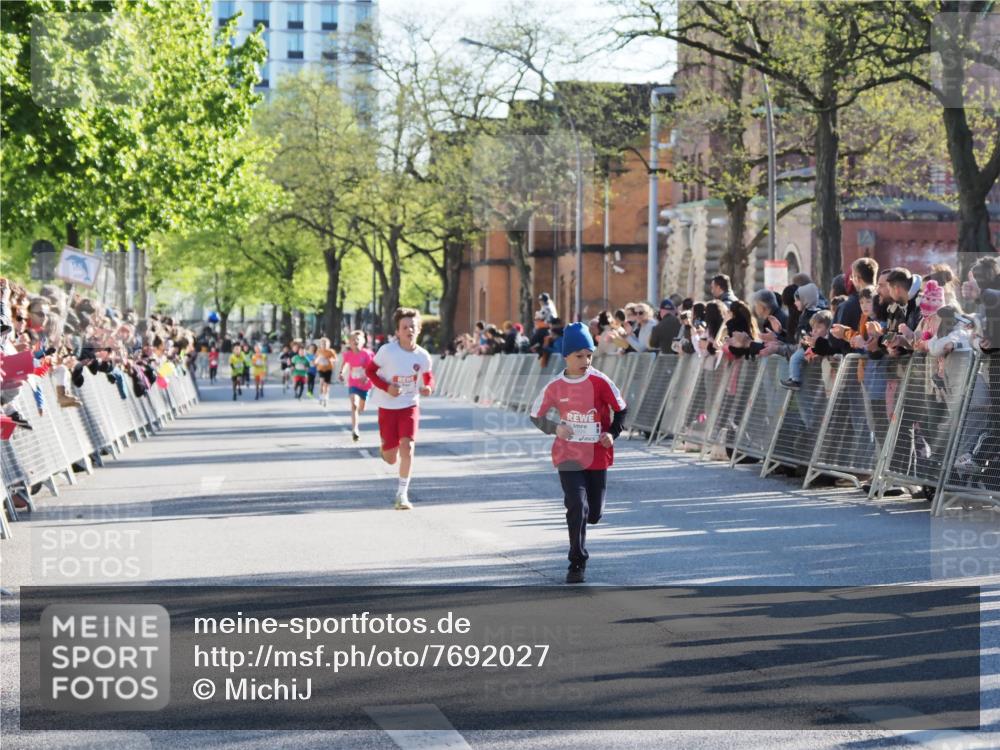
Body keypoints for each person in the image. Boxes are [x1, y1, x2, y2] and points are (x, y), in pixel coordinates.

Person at [529, 322, 627, 584]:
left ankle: (582, 510)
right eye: (579, 356)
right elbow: (535, 414)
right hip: (568, 455)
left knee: (593, 513)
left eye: (589, 355)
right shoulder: (555, 386)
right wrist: (555, 428)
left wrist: (612, 433)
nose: (585, 360)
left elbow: (621, 409)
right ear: (566, 356)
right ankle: (577, 561)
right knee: (577, 504)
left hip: (596, 455)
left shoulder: (599, 380)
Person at [365, 308, 434, 510]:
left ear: (418, 329)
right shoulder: (387, 351)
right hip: (387, 406)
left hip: (409, 405)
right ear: (397, 331)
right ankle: (385, 448)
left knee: (408, 447)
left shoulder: (423, 355)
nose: (409, 330)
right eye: (404, 327)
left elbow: (428, 375)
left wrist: (428, 387)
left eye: (412, 326)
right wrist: (387, 387)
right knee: (390, 457)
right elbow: (370, 371)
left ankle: (402, 494)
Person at [781, 309, 834, 390]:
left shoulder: (830, 340)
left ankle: (795, 380)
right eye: (813, 328)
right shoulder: (813, 336)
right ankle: (793, 378)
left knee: (795, 358)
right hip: (814, 379)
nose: (815, 330)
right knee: (794, 358)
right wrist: (804, 343)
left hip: (825, 379)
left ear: (828, 329)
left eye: (819, 327)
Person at [340, 330, 374, 442]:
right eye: (353, 339)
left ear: (363, 342)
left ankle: (357, 417)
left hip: (365, 385)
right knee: (354, 404)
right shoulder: (348, 354)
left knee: (361, 408)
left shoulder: (367, 354)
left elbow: (372, 368)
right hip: (353, 383)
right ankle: (355, 429)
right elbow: (344, 365)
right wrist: (341, 373)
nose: (355, 341)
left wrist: (367, 377)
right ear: (349, 342)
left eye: (358, 339)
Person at [315, 337, 337, 407]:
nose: (324, 345)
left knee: (326, 385)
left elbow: (335, 359)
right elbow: (316, 359)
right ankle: (321, 396)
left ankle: (326, 397)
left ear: (328, 344)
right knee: (321, 382)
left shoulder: (331, 351)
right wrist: (317, 361)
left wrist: (331, 360)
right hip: (321, 369)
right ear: (320, 345)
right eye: (323, 344)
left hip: (328, 369)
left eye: (325, 344)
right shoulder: (319, 351)